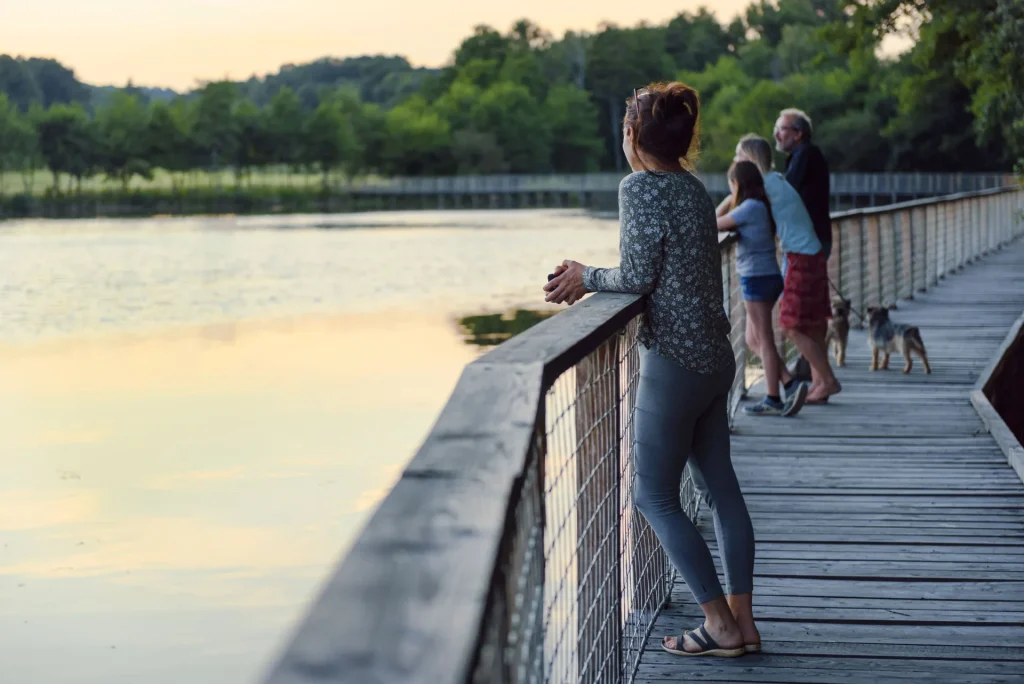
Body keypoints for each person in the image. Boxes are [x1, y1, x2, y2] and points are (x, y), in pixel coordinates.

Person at [544, 82, 759, 658]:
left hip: (676, 363)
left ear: (632, 136)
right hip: (716, 358)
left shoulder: (640, 187)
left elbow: (637, 276)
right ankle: (743, 622)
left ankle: (717, 623)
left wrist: (585, 276)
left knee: (653, 495)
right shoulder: (693, 188)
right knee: (722, 490)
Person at [735, 134, 841, 404]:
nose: (734, 162)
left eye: (738, 157)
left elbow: (735, 203)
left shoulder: (764, 187)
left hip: (800, 257)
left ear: (749, 159)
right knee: (813, 325)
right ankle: (818, 384)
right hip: (812, 253)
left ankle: (828, 380)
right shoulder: (775, 180)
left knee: (792, 326)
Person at [716, 160, 807, 417]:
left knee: (764, 340)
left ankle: (773, 398)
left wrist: (729, 198)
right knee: (751, 339)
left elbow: (714, 222)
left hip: (756, 278)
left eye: (731, 184)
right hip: (767, 275)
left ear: (738, 184)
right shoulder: (761, 205)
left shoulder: (749, 207)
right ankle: (789, 382)